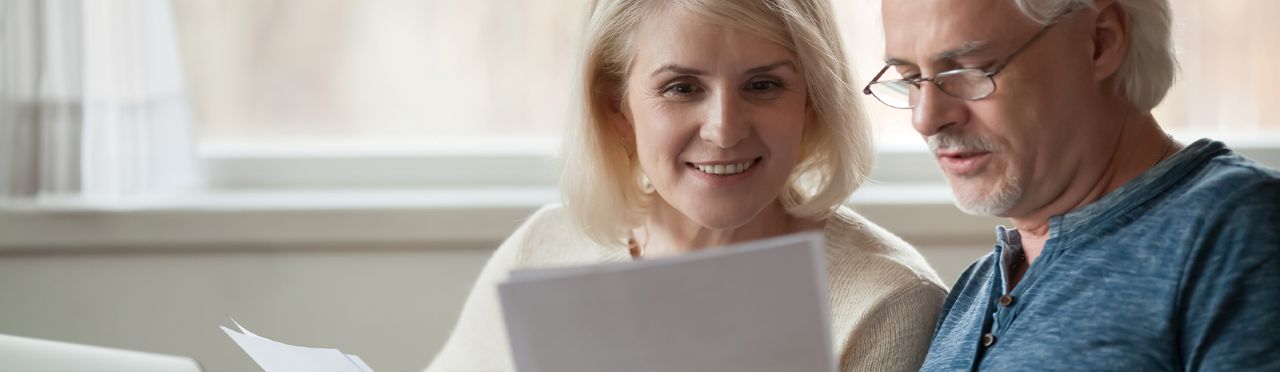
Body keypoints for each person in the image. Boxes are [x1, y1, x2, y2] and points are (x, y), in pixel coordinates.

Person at [426, 0, 947, 370]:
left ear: (810, 100)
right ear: (617, 108)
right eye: (682, 88)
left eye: (763, 85)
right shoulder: (544, 248)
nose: (724, 128)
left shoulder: (885, 303)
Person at [865, 0, 1280, 370]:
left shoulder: (1242, 229)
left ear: (1100, 41)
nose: (926, 118)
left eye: (969, 71)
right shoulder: (975, 289)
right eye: (910, 77)